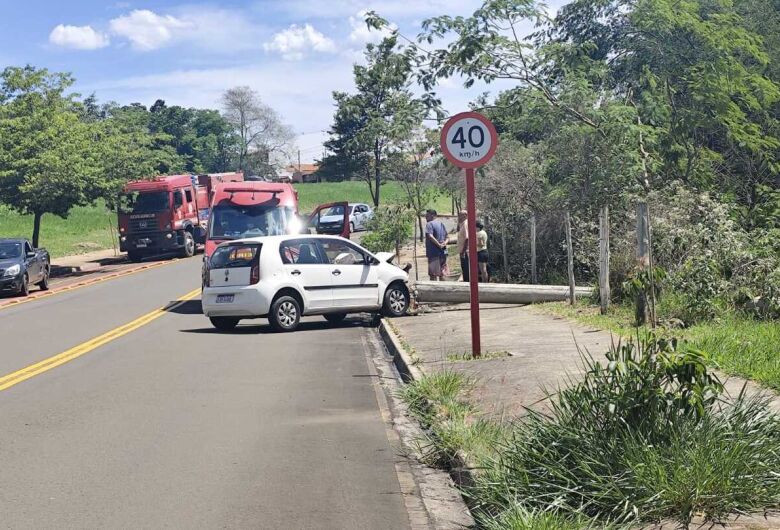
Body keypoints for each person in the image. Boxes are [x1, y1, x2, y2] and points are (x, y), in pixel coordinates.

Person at [424, 209, 448, 281]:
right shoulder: (441, 224)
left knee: (433, 274)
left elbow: (430, 236)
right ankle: (444, 290)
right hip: (444, 252)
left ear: (432, 215)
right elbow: (447, 237)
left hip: (434, 252)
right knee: (442, 272)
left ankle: (434, 291)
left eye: (427, 216)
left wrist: (439, 245)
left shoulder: (429, 224)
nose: (425, 217)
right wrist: (444, 243)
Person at [456, 210, 469, 282]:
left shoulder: (465, 224)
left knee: (465, 268)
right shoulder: (462, 224)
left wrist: (463, 251)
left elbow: (467, 238)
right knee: (464, 268)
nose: (459, 217)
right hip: (462, 250)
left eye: (460, 215)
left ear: (465, 216)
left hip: (465, 251)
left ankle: (467, 283)